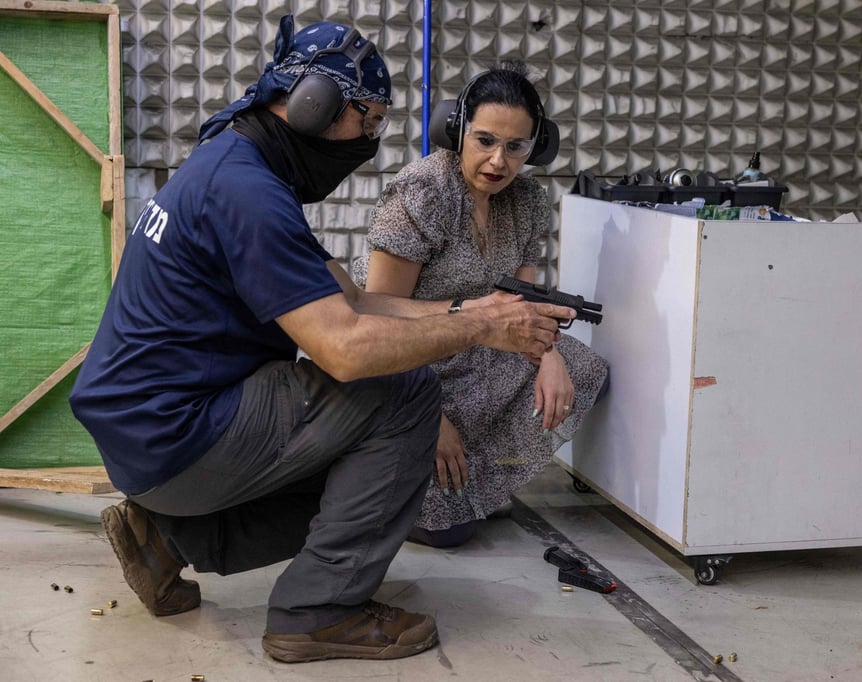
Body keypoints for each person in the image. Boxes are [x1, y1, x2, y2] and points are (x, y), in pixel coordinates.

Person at [68, 17, 575, 664]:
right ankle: (319, 610)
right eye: (363, 122)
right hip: (175, 433)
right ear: (313, 105)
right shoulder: (247, 192)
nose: (367, 141)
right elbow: (345, 346)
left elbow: (355, 298)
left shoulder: (235, 162)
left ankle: (163, 539)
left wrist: (473, 307)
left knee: (371, 472)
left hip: (148, 427)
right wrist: (479, 327)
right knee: (403, 397)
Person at [351, 62, 610, 548]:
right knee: (448, 534)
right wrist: (431, 419)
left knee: (581, 366)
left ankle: (471, 479)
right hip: (403, 363)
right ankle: (394, 480)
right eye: (485, 140)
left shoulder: (528, 201)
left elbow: (524, 304)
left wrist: (550, 356)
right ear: (458, 130)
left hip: (472, 353)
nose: (498, 161)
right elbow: (377, 315)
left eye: (516, 147)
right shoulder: (422, 193)